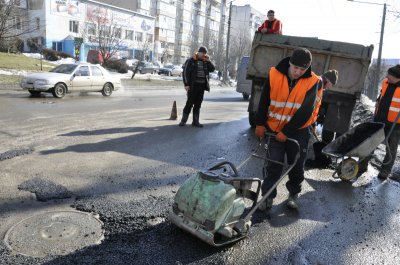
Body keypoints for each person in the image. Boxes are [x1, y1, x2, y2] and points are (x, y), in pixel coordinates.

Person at [255, 48, 322, 210]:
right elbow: (264, 100)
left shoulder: (313, 82)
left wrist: (286, 132)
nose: (297, 72)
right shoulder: (274, 74)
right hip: (273, 127)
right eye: (295, 68)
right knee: (273, 164)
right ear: (290, 64)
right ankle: (268, 196)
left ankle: (293, 194)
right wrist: (260, 123)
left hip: (298, 131)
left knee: (297, 164)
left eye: (302, 69)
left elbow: (306, 112)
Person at [357, 65, 400, 180]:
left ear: (397, 77)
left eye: (389, 75)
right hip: (379, 120)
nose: (386, 76)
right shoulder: (386, 82)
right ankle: (362, 166)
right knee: (370, 143)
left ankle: (385, 171)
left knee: (391, 149)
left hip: (395, 125)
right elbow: (381, 97)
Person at [305, 70, 339, 169]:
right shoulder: (317, 84)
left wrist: (312, 121)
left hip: (308, 120)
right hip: (304, 119)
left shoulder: (319, 85)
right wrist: (307, 119)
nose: (330, 87)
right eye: (331, 84)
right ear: (327, 80)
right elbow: (307, 103)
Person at [179, 46, 215, 127]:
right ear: (198, 52)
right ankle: (183, 121)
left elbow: (212, 69)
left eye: (205, 53)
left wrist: (208, 61)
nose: (203, 55)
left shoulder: (205, 61)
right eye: (202, 53)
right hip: (193, 86)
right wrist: (186, 84)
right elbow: (185, 73)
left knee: (198, 104)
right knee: (189, 103)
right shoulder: (191, 60)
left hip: (201, 86)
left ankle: (195, 122)